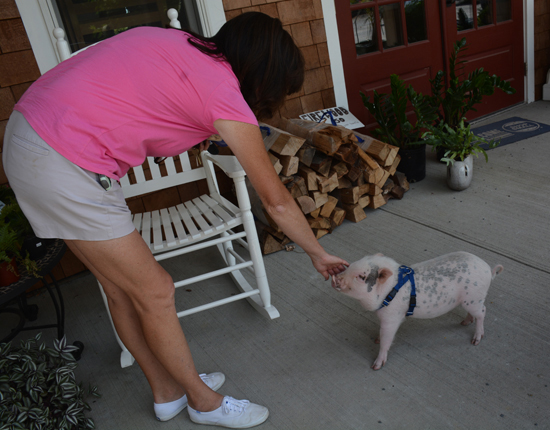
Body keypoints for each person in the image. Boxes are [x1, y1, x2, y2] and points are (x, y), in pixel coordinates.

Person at [3, 12, 348, 428]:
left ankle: (167, 394)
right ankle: (203, 402)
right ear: (265, 76)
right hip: (63, 160)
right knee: (156, 290)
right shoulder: (223, 91)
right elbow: (275, 202)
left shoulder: (174, 41)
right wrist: (317, 253)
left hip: (31, 136)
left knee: (120, 289)